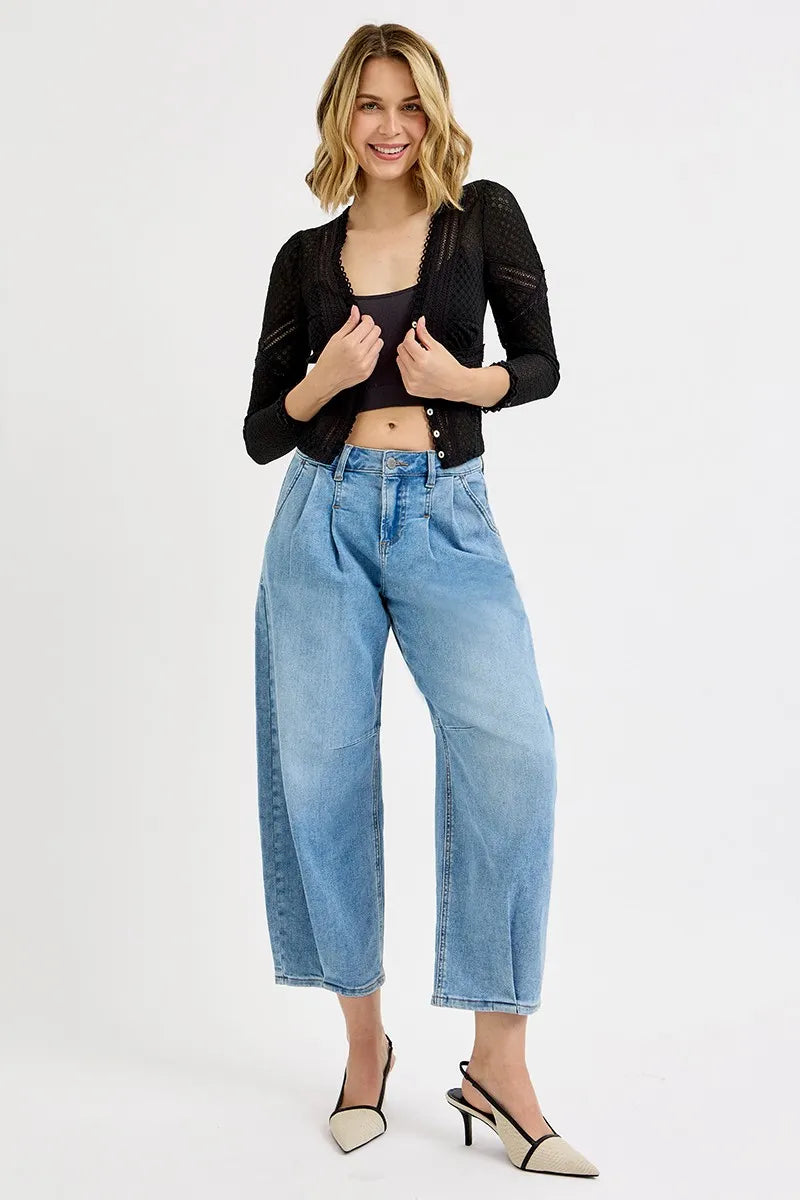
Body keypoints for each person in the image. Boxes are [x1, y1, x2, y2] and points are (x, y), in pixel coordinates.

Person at [244, 23, 599, 1176]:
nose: (388, 126)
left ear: (432, 111)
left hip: (445, 519)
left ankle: (498, 1065)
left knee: (512, 750)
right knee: (323, 772)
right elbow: (261, 431)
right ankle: (362, 1050)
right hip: (321, 522)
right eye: (366, 105)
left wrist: (468, 383)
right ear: (339, 118)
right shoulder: (306, 254)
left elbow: (541, 362)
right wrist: (327, 380)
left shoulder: (479, 215)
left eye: (406, 103)